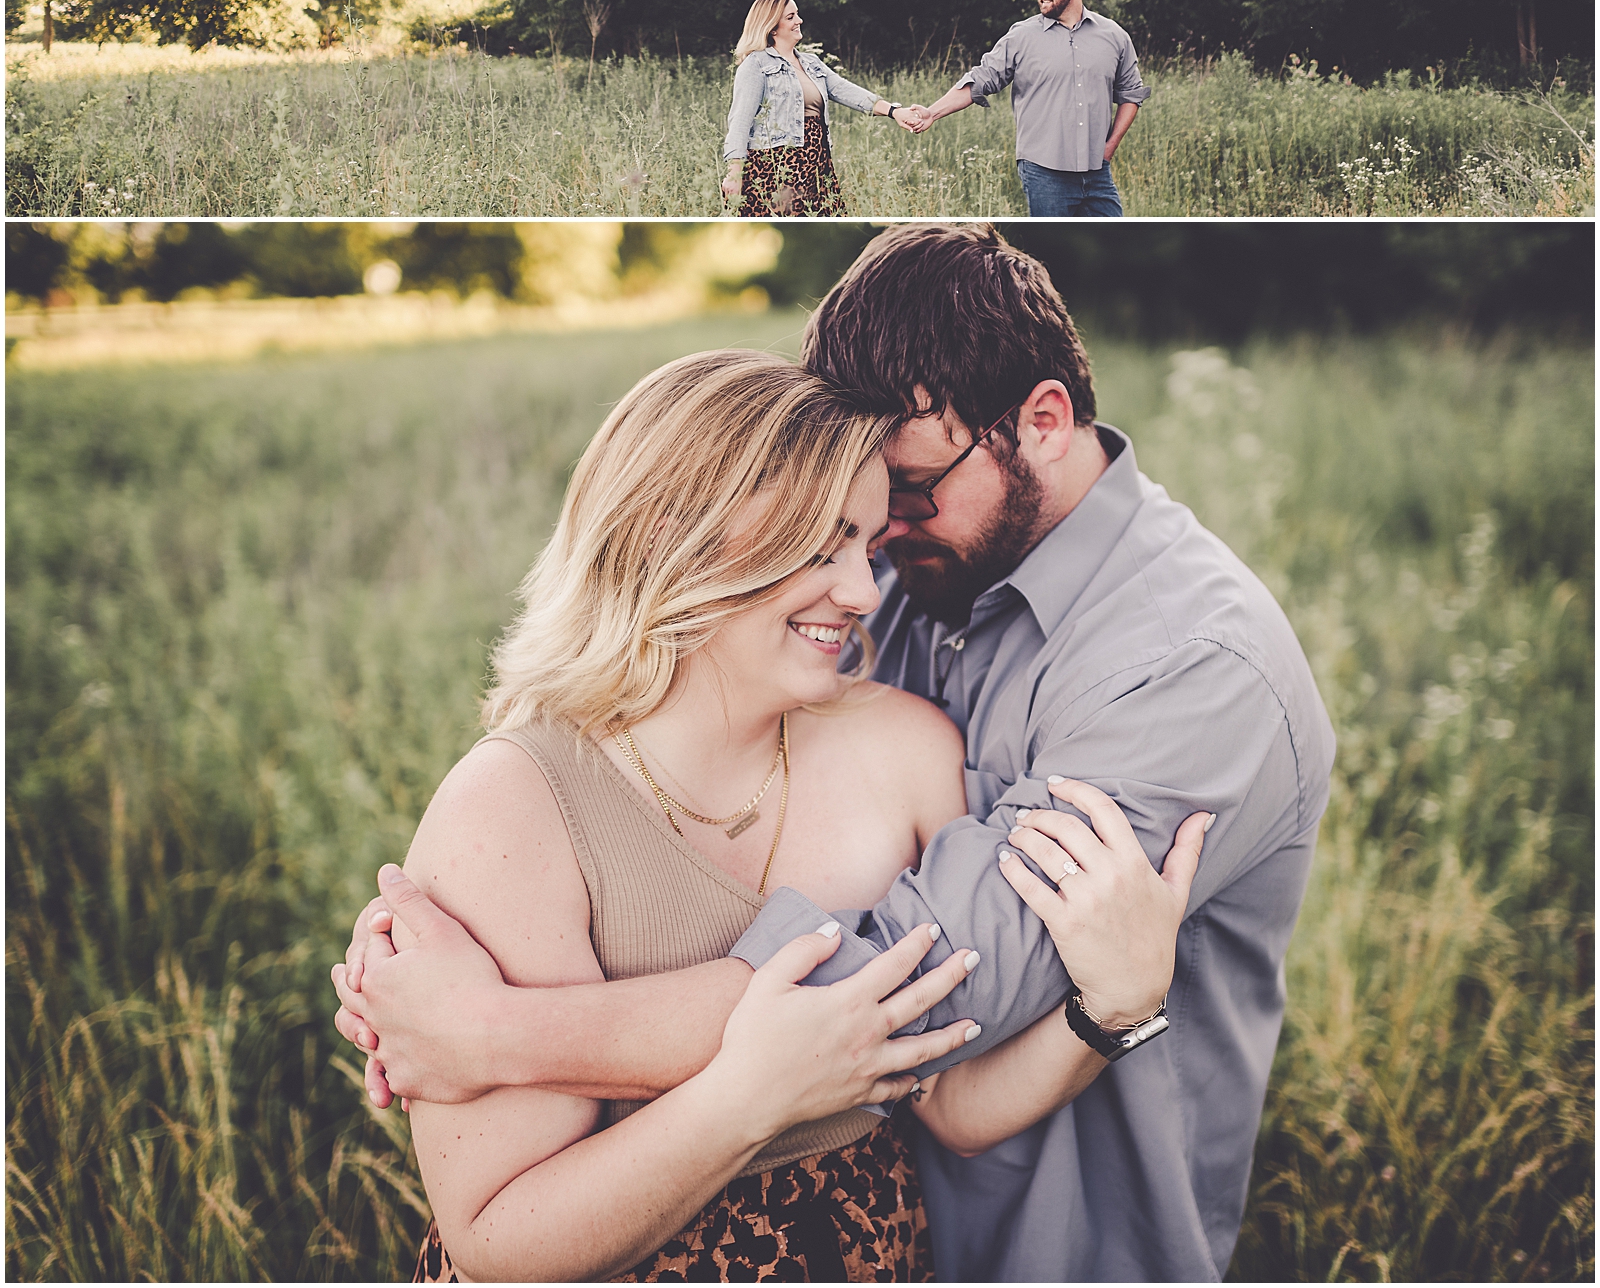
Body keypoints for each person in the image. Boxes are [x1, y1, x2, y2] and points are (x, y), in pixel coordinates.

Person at [336, 224, 1335, 1283]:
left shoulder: (1189, 670)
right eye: (836, 528)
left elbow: (918, 1007)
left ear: (1042, 421)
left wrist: (490, 1029)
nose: (868, 577)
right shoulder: (903, 571)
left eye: (898, 501)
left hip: (1058, 1243)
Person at [900, 0, 1150, 216]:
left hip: (1098, 172)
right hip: (1045, 172)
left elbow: (1131, 94)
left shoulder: (1114, 36)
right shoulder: (1022, 36)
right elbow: (981, 78)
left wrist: (1110, 147)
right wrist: (933, 112)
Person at [721, 0, 917, 214]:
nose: (799, 21)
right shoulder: (756, 64)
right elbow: (740, 122)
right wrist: (734, 174)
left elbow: (846, 91)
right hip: (777, 165)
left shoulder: (810, 62)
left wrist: (893, 111)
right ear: (772, 26)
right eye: (790, 17)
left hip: (817, 161)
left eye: (797, 14)